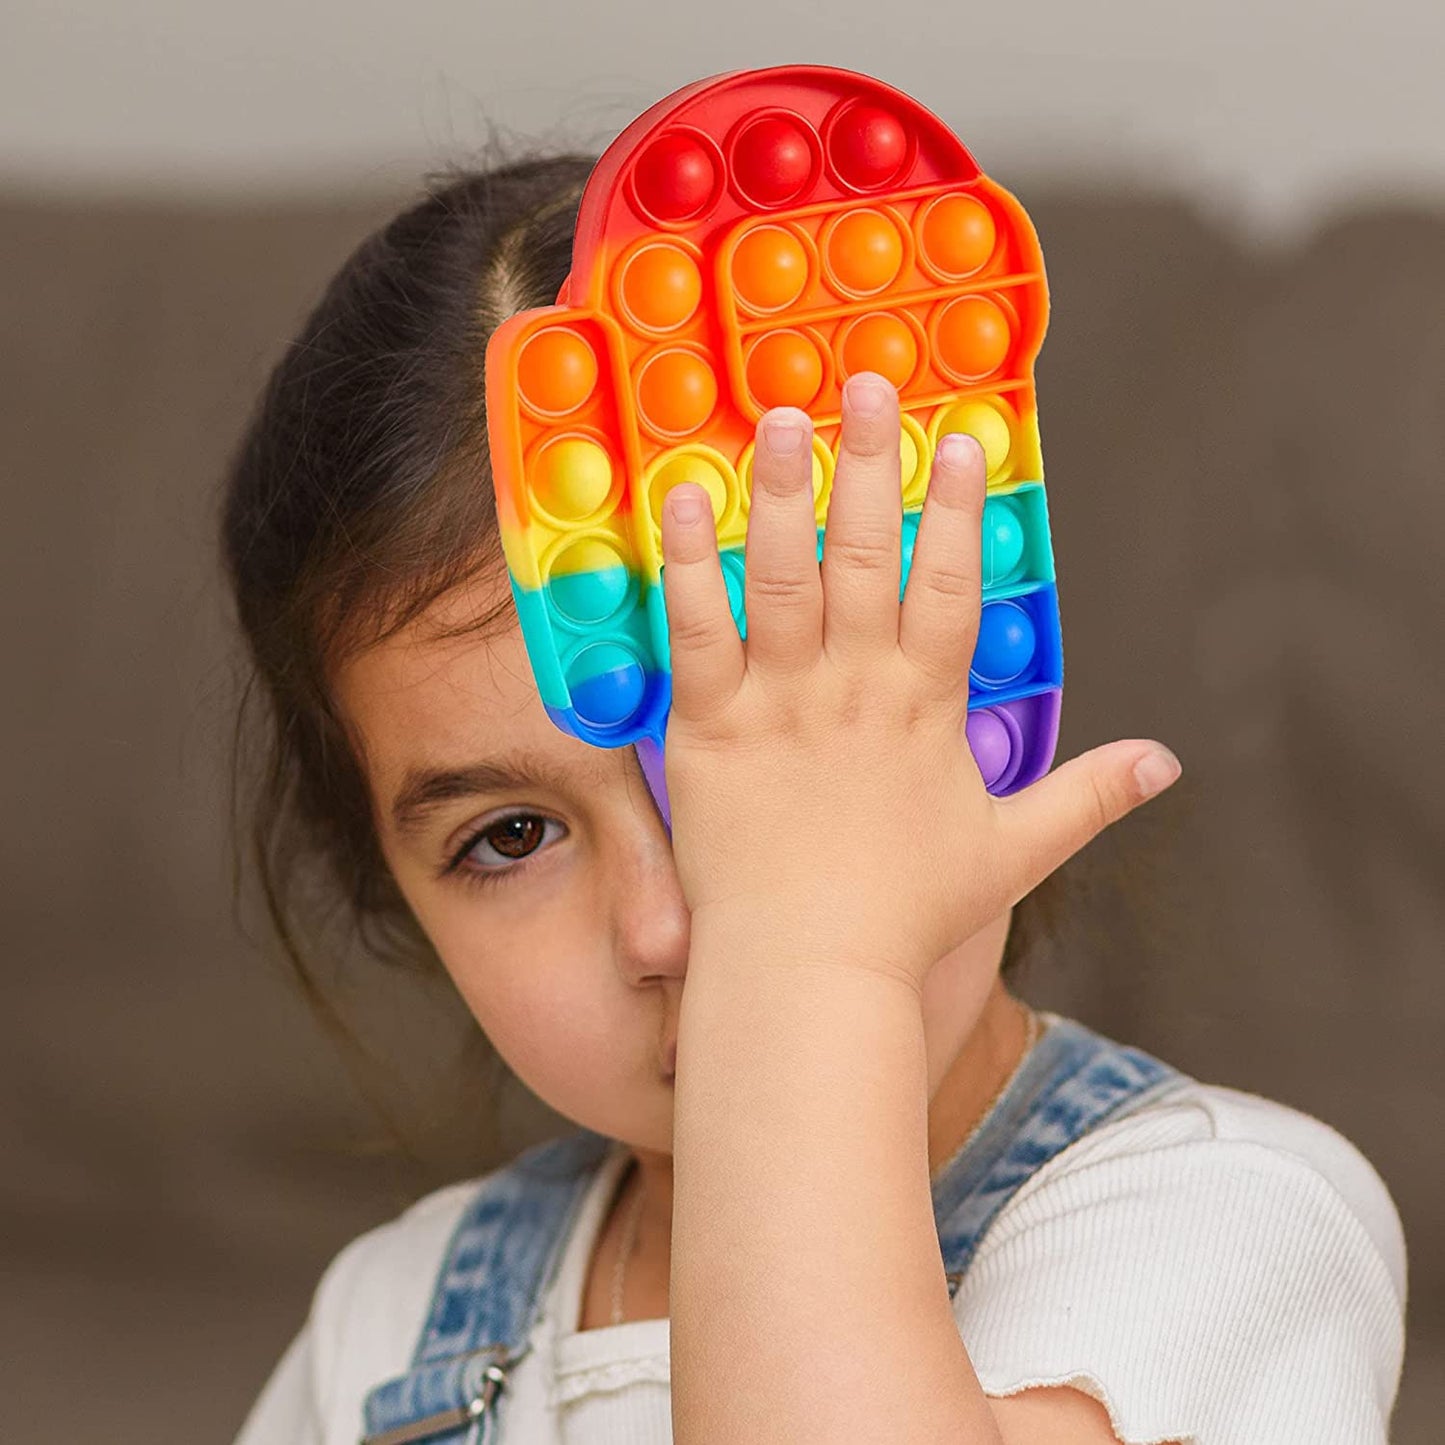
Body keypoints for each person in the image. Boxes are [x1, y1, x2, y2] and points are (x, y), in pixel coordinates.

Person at [222, 154, 1406, 1445]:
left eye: (760, 777)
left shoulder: (1217, 1219)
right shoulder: (391, 1325)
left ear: (976, 700)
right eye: (511, 836)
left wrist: (801, 959)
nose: (667, 926)